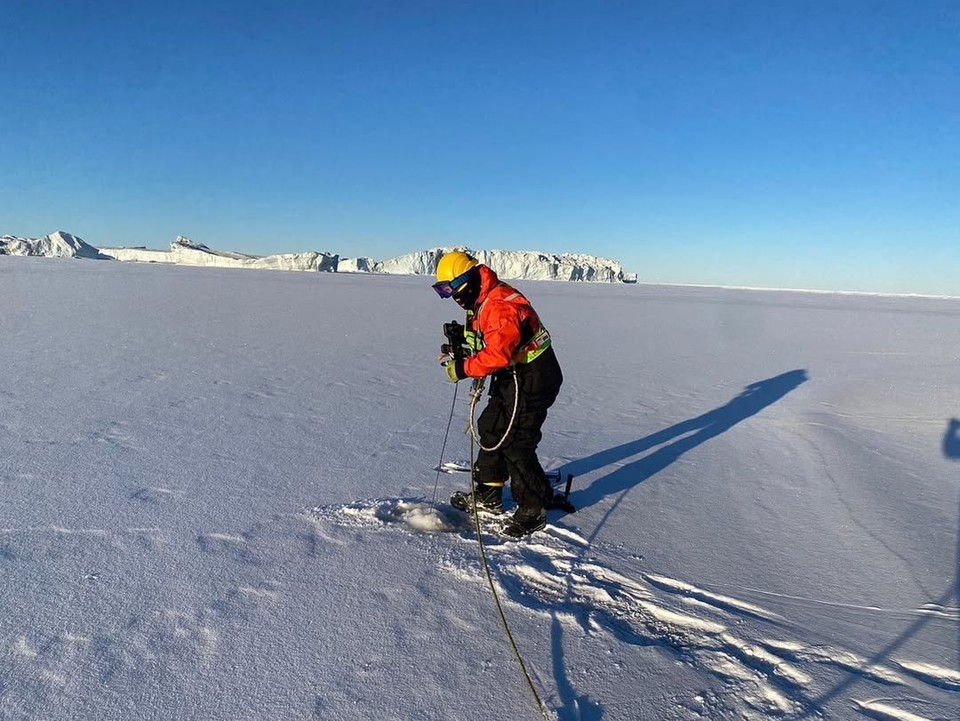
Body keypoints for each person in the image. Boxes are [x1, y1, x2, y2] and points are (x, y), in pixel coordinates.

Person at [432, 251, 563, 537]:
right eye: (443, 290)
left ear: (467, 281)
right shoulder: (480, 300)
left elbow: (497, 355)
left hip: (533, 376)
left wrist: (463, 368)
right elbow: (487, 344)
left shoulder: (500, 305)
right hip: (513, 374)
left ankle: (533, 508)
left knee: (516, 441)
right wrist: (463, 352)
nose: (451, 296)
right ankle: (489, 495)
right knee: (491, 428)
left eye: (451, 289)